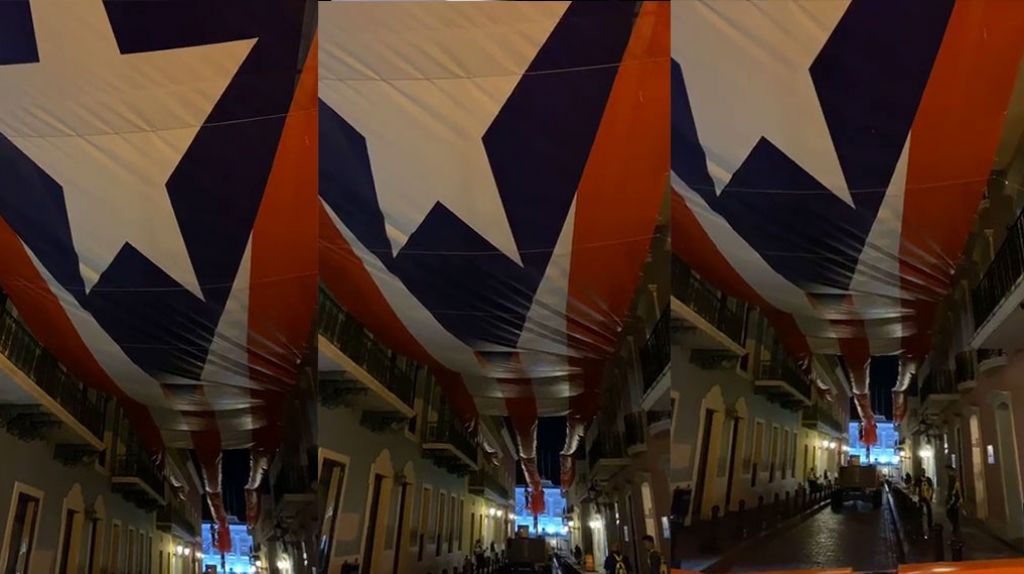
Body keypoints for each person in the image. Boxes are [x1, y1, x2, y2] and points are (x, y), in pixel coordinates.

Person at [946, 465, 963, 536]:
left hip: (953, 499)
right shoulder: (953, 478)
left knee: (950, 513)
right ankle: (956, 528)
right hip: (954, 499)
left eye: (947, 470)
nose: (946, 472)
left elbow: (954, 489)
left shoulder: (952, 479)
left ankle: (955, 528)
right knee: (953, 514)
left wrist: (951, 499)